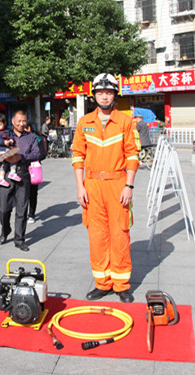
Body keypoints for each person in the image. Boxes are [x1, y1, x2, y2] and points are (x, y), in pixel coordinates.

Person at [72, 73, 140, 303]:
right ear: (94, 96)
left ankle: (121, 284)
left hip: (118, 183)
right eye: (100, 92)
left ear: (114, 94)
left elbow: (132, 154)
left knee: (120, 233)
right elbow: (78, 156)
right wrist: (80, 187)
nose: (104, 96)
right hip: (91, 186)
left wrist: (129, 185)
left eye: (108, 92)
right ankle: (102, 283)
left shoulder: (125, 121)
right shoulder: (84, 122)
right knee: (97, 235)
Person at [0, 110, 40, 252]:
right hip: (7, 173)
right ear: (13, 121)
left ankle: (19, 239)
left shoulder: (31, 137)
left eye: (24, 121)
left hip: (23, 174)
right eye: (19, 121)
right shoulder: (5, 135)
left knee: (22, 208)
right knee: (3, 208)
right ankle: (5, 230)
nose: (21, 124)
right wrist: (5, 156)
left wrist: (21, 157)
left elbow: (37, 153)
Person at [0, 112, 20, 187]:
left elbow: (11, 136)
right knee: (8, 160)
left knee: (12, 158)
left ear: (5, 123)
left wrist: (11, 140)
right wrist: (3, 142)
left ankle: (10, 173)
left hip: (7, 149)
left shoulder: (7, 130)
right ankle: (3, 176)